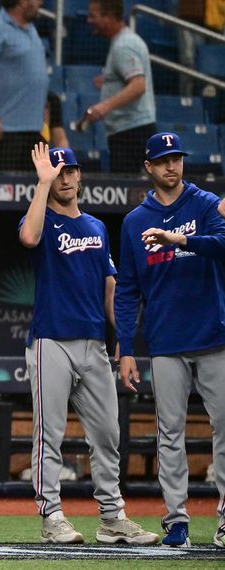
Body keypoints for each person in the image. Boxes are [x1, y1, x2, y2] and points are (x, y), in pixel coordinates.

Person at [19, 142, 159, 545]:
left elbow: (111, 289)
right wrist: (41, 185)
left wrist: (126, 342)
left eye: (68, 171)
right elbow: (28, 237)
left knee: (108, 435)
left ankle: (112, 517)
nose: (64, 177)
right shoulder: (41, 218)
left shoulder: (97, 227)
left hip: (94, 343)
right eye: (56, 171)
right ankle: (52, 517)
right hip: (51, 340)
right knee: (49, 434)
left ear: (79, 175)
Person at [115, 132, 225, 549]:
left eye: (176, 158)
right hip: (165, 341)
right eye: (163, 160)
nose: (171, 166)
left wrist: (180, 239)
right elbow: (127, 290)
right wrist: (126, 349)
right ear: (149, 167)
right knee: (169, 433)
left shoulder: (204, 202)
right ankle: (176, 520)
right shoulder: (134, 221)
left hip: (214, 335)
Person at [0, 0, 48, 171]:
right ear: (22, 2)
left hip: (34, 127)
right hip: (6, 129)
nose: (41, 3)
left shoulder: (31, 29)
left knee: (32, 189)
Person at [85, 0, 156, 174]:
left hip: (130, 133)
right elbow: (131, 77)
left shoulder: (123, 45)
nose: (88, 21)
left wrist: (104, 107)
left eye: (93, 16)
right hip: (132, 129)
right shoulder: (125, 41)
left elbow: (138, 86)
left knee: (126, 191)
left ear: (109, 17)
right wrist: (110, 81)